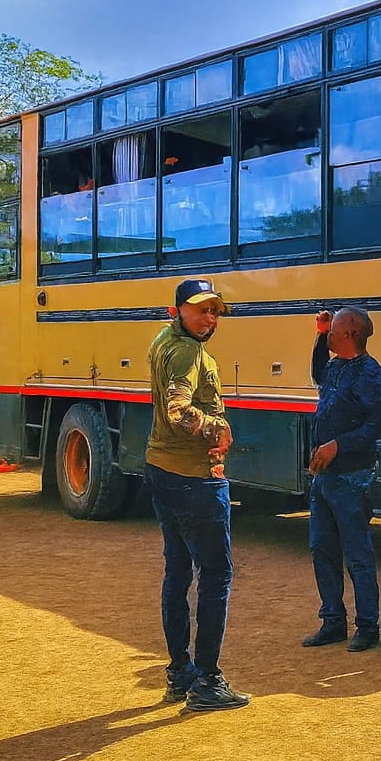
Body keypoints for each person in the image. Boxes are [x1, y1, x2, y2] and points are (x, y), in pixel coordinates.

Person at [145, 278, 249, 712]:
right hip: (194, 477)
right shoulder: (188, 350)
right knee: (216, 576)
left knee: (178, 572)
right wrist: (217, 430)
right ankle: (208, 680)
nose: (210, 317)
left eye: (214, 310)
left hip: (162, 470)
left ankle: (179, 673)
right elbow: (177, 410)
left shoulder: (165, 339)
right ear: (178, 311)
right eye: (201, 309)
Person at [302, 307, 381, 652]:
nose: (329, 337)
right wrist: (319, 335)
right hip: (326, 476)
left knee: (357, 554)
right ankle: (333, 622)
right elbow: (317, 372)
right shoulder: (337, 367)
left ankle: (367, 626)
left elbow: (376, 425)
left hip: (352, 477)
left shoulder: (370, 373)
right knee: (322, 549)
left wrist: (339, 445)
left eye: (333, 331)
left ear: (351, 334)